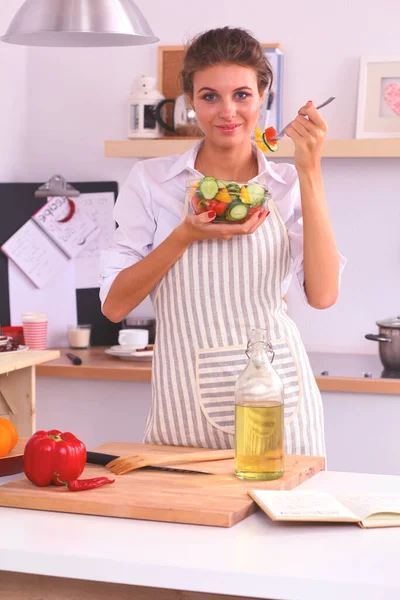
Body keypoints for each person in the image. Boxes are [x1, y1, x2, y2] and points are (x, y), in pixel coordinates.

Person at [100, 27, 345, 457]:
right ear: (190, 102)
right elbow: (115, 306)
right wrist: (184, 235)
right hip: (182, 410)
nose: (227, 111)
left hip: (278, 403)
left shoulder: (287, 184)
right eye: (210, 96)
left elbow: (323, 295)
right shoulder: (152, 182)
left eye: (242, 95)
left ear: (263, 96)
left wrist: (310, 172)